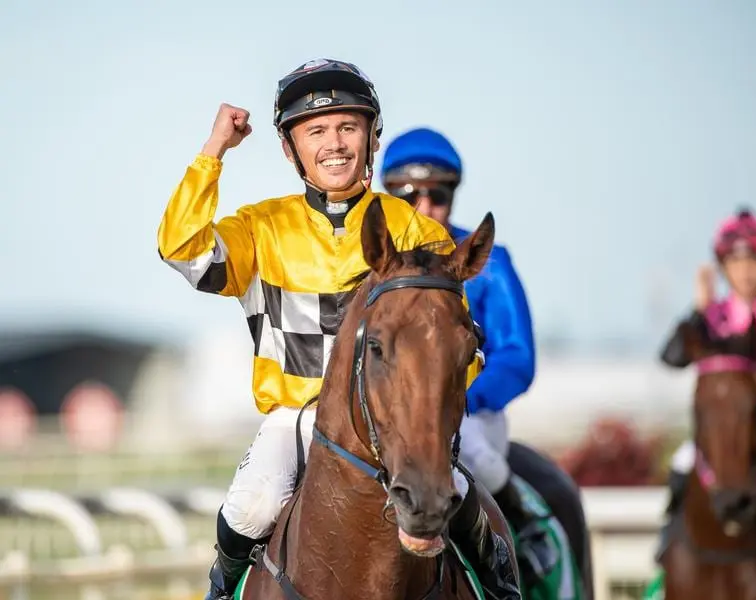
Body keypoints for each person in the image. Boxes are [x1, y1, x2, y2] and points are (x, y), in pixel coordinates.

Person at [157, 59, 521, 600]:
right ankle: (220, 590)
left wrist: (428, 408)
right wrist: (214, 152)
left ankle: (502, 587)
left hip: (399, 418)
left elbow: (452, 345)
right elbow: (181, 249)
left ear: (372, 138)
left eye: (348, 127)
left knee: (469, 502)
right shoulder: (260, 227)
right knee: (251, 505)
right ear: (290, 149)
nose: (335, 143)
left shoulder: (417, 230)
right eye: (316, 131)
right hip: (298, 417)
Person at [379, 127, 551, 580]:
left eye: (438, 194)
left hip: (472, 414)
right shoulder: (375, 266)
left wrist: (456, 401)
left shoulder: (490, 262)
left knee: (470, 451)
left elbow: (517, 358)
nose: (424, 207)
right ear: (388, 195)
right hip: (392, 414)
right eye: (408, 194)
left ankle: (522, 524)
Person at [656, 208, 756, 557]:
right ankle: (669, 549)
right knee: (681, 464)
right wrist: (697, 309)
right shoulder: (713, 316)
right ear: (723, 267)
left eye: (754, 261)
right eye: (736, 262)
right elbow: (672, 357)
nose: (746, 271)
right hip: (719, 435)